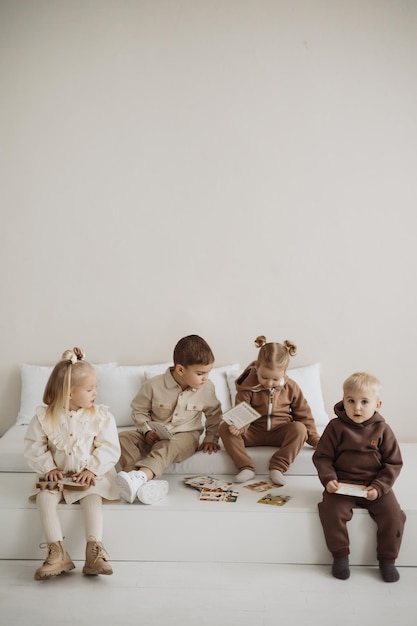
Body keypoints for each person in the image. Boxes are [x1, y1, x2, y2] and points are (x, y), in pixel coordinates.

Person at [24, 348, 121, 581]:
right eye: (89, 389)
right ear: (69, 393)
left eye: (94, 387)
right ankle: (57, 552)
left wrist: (92, 469)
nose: (95, 393)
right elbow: (34, 446)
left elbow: (109, 447)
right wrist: (48, 468)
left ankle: (94, 552)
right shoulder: (44, 417)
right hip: (57, 476)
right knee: (45, 497)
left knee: (92, 496)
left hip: (88, 475)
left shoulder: (101, 416)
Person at [313, 372, 406, 582]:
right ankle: (340, 556)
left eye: (364, 402)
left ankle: (387, 559)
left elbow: (393, 463)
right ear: (343, 400)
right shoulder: (335, 427)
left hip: (374, 485)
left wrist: (379, 487)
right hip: (342, 484)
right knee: (331, 511)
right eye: (351, 401)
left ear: (377, 404)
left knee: (394, 516)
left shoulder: (383, 429)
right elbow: (323, 457)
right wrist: (329, 479)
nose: (357, 407)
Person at [117, 335, 222, 504]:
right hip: (155, 436)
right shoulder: (153, 385)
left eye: (208, 372)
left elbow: (215, 414)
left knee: (170, 444)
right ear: (180, 370)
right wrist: (146, 431)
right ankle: (137, 482)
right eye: (201, 373)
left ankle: (141, 476)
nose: (206, 378)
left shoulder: (207, 388)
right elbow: (139, 410)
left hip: (185, 439)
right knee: (122, 438)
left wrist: (211, 438)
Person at [219, 335, 320, 485]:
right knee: (225, 428)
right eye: (264, 377)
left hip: (280, 432)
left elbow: (303, 414)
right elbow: (242, 413)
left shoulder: (291, 387)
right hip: (252, 431)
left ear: (284, 372)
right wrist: (239, 427)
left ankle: (278, 467)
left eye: (275, 379)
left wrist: (315, 439)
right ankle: (245, 467)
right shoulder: (247, 387)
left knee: (300, 429)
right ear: (257, 367)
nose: (269, 383)